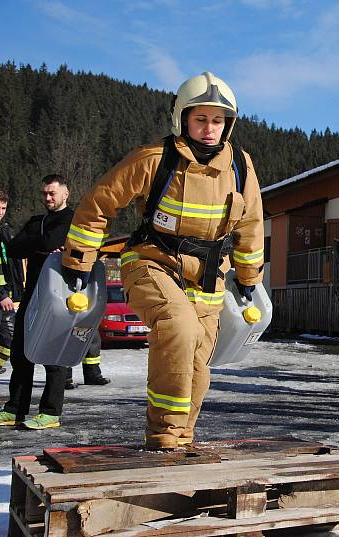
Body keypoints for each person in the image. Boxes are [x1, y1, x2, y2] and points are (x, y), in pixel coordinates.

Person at [60, 72, 264, 450]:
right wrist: (79, 260)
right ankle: (164, 436)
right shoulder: (155, 159)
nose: (209, 128)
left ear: (228, 124)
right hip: (152, 262)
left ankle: (181, 439)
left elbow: (251, 224)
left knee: (199, 363)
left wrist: (249, 276)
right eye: (200, 118)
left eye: (217, 120)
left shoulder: (242, 167)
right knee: (178, 328)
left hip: (208, 276)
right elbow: (99, 202)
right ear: (183, 119)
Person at [0, 175, 75, 430]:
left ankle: (50, 412)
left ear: (65, 194)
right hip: (32, 294)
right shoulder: (38, 221)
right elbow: (15, 248)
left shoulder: (73, 220)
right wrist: (43, 244)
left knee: (54, 354)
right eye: (44, 194)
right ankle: (15, 409)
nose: (47, 198)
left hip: (59, 296)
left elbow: (48, 242)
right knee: (20, 353)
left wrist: (38, 243)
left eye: (52, 193)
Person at [0, 189, 23, 381]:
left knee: (7, 340)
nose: (0, 212)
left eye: (3, 208)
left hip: (3, 297)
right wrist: (1, 293)